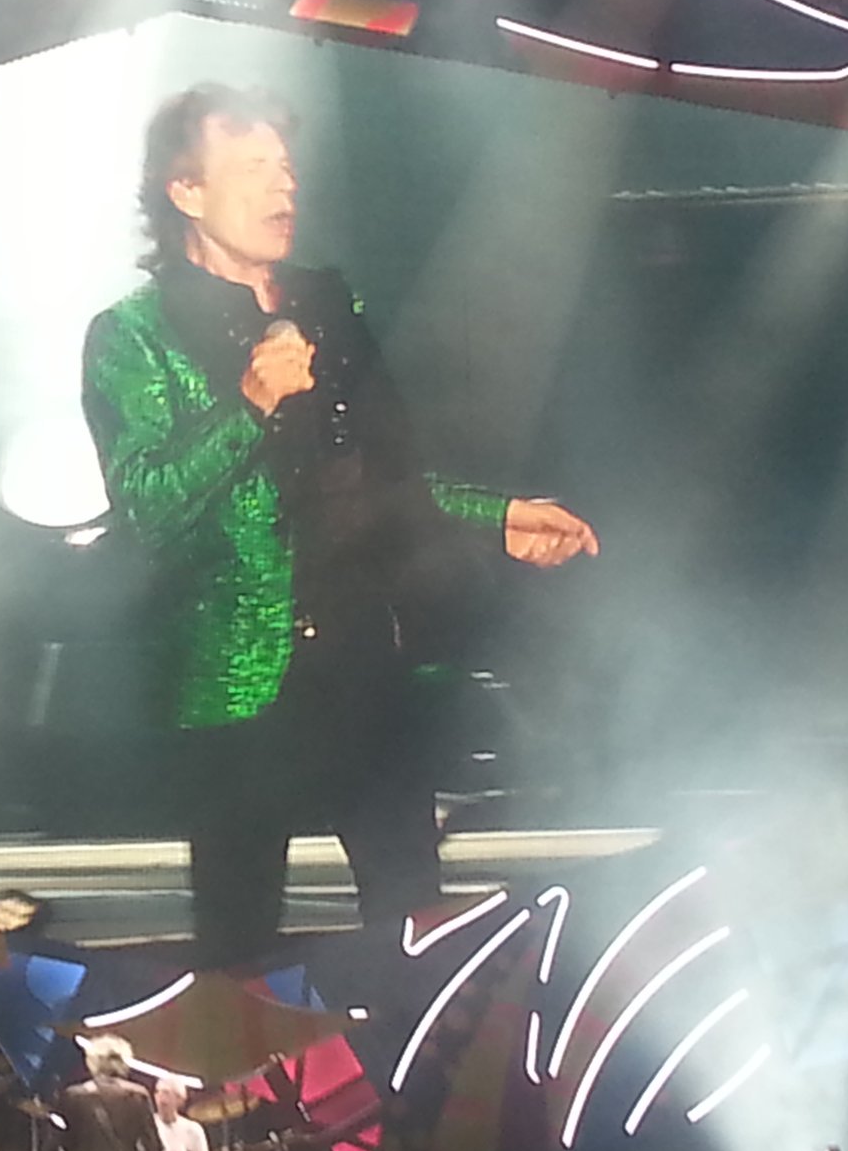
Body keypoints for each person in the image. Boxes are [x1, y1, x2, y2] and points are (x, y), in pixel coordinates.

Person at [80, 83, 598, 988]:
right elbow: (150, 505)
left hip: (365, 657)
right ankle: (243, 1076)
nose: (282, 186)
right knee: (239, 947)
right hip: (241, 684)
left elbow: (384, 478)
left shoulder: (327, 303)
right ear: (186, 191)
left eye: (285, 167)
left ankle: (415, 1071)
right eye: (253, 168)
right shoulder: (134, 333)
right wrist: (250, 403)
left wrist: (498, 518)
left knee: (413, 923)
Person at [152, 1078, 213, 1151]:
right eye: (157, 1092)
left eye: (166, 1093)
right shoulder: (149, 1125)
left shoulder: (193, 1129)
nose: (161, 1098)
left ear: (179, 1099)